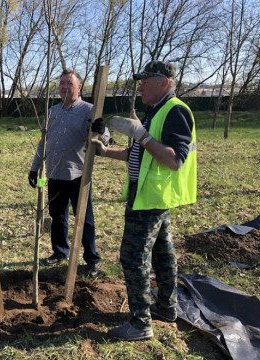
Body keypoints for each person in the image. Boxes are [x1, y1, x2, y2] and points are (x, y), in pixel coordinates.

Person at [93, 60, 197, 340]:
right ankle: (166, 308)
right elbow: (140, 154)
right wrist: (105, 152)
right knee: (163, 254)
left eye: (145, 80)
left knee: (132, 257)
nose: (140, 85)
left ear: (163, 82)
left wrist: (141, 134)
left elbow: (174, 160)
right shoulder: (156, 111)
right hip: (151, 196)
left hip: (151, 199)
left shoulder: (175, 111)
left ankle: (140, 324)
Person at [29, 69, 110, 278]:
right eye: (62, 83)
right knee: (58, 217)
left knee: (85, 219)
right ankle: (59, 251)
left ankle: (91, 260)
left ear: (79, 87)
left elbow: (105, 139)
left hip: (79, 176)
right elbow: (43, 142)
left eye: (69, 83)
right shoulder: (52, 111)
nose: (65, 87)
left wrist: (101, 131)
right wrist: (35, 167)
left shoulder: (89, 110)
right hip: (55, 173)